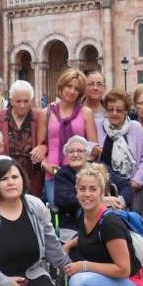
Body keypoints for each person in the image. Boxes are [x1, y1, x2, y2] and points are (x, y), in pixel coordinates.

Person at [54, 163, 143, 286]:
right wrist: (69, 244)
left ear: (103, 192)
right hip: (103, 282)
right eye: (82, 189)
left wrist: (83, 266)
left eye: (93, 189)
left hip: (130, 285)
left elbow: (123, 269)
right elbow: (87, 236)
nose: (87, 194)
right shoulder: (85, 216)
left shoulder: (110, 223)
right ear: (76, 191)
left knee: (79, 282)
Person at [33, 68, 99, 204]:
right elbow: (40, 145)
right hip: (52, 172)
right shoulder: (46, 113)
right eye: (69, 86)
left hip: (79, 173)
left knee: (82, 209)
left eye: (77, 89)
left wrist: (94, 151)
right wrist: (46, 165)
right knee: (56, 211)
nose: (72, 91)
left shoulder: (86, 113)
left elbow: (92, 146)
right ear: (61, 86)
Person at [54, 136, 125, 241]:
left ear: (87, 154)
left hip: (107, 218)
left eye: (79, 151)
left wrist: (120, 200)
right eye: (71, 151)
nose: (75, 154)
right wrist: (100, 201)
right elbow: (64, 200)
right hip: (74, 224)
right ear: (66, 155)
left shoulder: (100, 168)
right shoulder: (62, 174)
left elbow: (126, 185)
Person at [97, 89, 143, 214]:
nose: (114, 113)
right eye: (111, 110)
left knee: (133, 220)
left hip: (132, 185)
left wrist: (137, 179)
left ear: (126, 111)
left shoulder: (135, 127)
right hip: (105, 187)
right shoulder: (98, 126)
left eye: (119, 110)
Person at [0, 80, 45, 196]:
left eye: (26, 101)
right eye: (18, 101)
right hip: (5, 177)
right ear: (11, 100)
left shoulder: (40, 117)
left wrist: (44, 147)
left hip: (32, 177)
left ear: (32, 100)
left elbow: (50, 141)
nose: (22, 105)